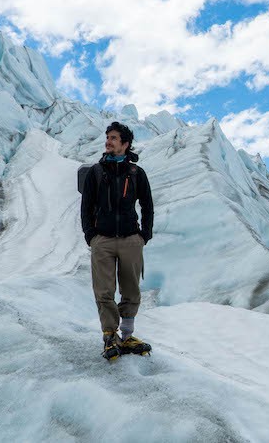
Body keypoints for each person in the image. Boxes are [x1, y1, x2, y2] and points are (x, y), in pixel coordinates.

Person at [81, 121, 154, 359]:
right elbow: (86, 207)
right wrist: (91, 236)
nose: (108, 142)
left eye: (113, 138)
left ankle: (127, 335)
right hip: (102, 240)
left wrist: (144, 234)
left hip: (131, 239)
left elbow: (147, 205)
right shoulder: (96, 171)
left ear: (125, 143)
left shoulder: (136, 173)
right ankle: (109, 337)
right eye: (107, 137)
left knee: (131, 290)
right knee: (104, 292)